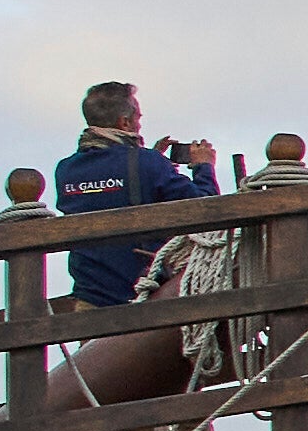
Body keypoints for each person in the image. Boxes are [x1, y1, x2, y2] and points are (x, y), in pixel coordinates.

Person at [48, 76, 219, 311]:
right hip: (142, 297)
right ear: (125, 122)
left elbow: (107, 193)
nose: (140, 124)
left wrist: (147, 160)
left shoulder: (65, 170)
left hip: (90, 303)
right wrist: (203, 166)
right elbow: (205, 208)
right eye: (137, 117)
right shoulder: (146, 163)